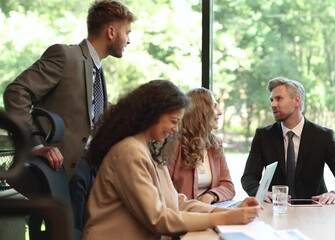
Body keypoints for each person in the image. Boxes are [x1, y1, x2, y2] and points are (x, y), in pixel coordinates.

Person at [2, 0, 136, 232]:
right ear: (111, 32)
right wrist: (35, 145)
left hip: (89, 170)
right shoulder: (65, 55)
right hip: (64, 170)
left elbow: (94, 114)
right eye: (128, 32)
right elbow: (16, 92)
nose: (129, 40)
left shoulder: (98, 70)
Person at [83, 80, 262, 240]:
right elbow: (158, 219)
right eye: (174, 121)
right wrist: (224, 218)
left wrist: (230, 211)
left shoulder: (147, 148)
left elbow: (175, 201)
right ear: (152, 115)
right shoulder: (130, 152)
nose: (176, 129)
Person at [241, 77, 335, 205]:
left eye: (279, 99)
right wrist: (263, 193)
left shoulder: (322, 136)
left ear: (297, 100)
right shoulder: (263, 136)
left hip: (314, 212)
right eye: (272, 100)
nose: (273, 104)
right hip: (276, 210)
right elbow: (248, 178)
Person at [166, 88, 235, 204]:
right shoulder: (173, 144)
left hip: (208, 211)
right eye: (214, 106)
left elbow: (228, 186)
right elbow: (164, 190)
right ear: (200, 112)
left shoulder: (216, 143)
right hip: (182, 214)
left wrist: (210, 196)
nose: (219, 112)